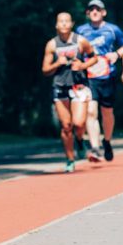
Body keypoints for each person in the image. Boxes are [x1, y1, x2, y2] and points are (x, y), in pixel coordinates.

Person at [42, 12, 98, 172]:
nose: (64, 24)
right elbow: (45, 70)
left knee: (79, 123)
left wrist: (82, 66)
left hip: (79, 85)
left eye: (67, 21)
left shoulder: (80, 41)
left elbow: (94, 57)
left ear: (72, 23)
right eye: (61, 21)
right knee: (66, 126)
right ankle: (70, 159)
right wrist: (56, 64)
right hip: (60, 86)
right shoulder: (52, 45)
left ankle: (80, 139)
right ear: (56, 25)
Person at [76, 0, 123, 162]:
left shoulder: (112, 30)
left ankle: (106, 141)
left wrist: (118, 56)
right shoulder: (81, 30)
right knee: (91, 111)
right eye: (91, 9)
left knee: (107, 113)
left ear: (103, 12)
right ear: (87, 13)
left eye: (98, 10)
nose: (94, 12)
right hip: (89, 76)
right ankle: (95, 147)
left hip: (108, 76)